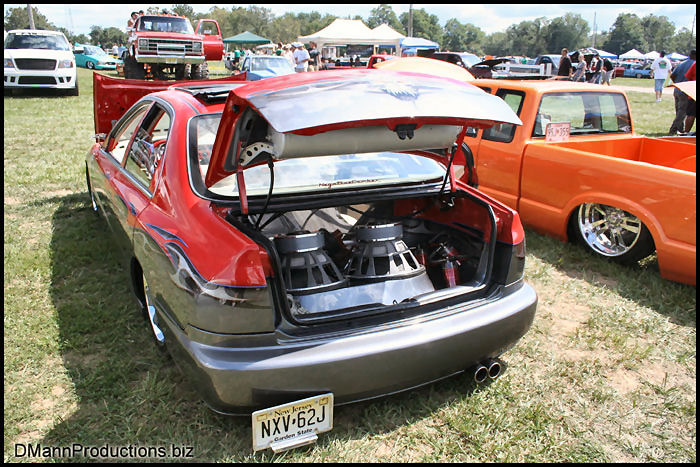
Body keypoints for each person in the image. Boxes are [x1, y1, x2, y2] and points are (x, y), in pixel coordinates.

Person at [668, 49, 695, 134]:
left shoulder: (682, 63)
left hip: (677, 89)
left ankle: (680, 128)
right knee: (683, 112)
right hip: (687, 91)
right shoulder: (693, 64)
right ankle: (674, 128)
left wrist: (677, 83)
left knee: (679, 111)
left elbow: (672, 75)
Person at [684, 60, 696, 133]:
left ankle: (686, 132)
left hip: (694, 93)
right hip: (693, 93)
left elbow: (688, 76)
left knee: (691, 114)